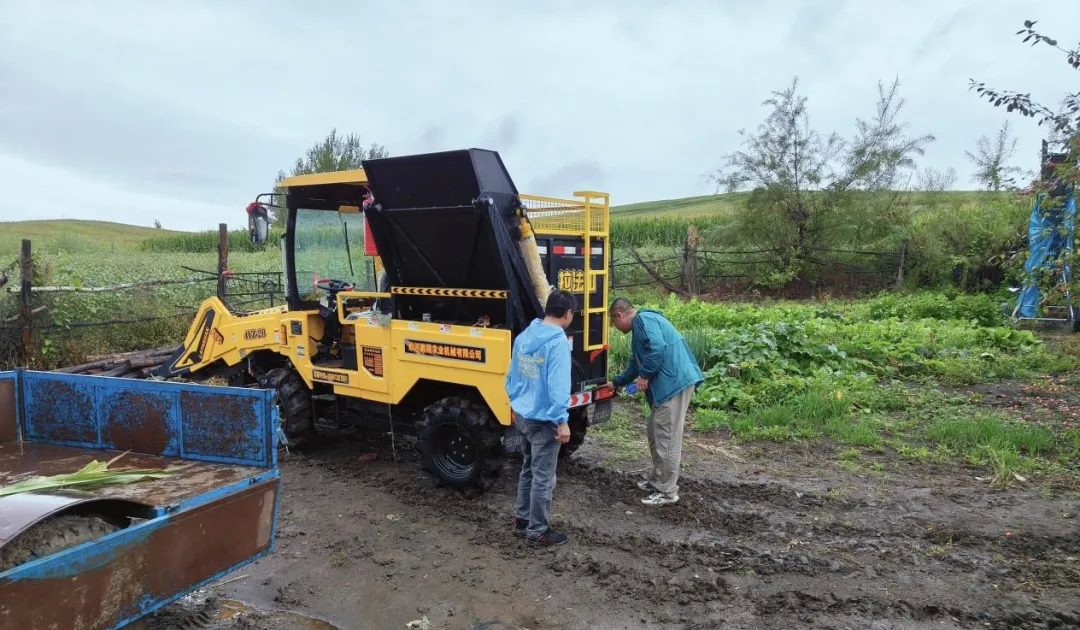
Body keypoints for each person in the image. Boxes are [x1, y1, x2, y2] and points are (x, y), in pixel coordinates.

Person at [607, 297, 703, 506]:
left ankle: (667, 492)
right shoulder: (641, 327)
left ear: (619, 315)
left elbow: (658, 349)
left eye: (613, 323)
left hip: (673, 384)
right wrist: (616, 383)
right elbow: (636, 363)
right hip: (668, 385)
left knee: (666, 439)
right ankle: (658, 480)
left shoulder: (643, 320)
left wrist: (645, 375)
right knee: (655, 432)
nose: (615, 327)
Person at [506, 289, 576, 547]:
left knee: (527, 469)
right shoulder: (557, 342)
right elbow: (558, 386)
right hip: (544, 420)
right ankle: (538, 531)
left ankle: (522, 520)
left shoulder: (526, 335)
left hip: (523, 414)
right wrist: (562, 420)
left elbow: (512, 375)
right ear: (568, 313)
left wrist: (515, 402)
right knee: (543, 477)